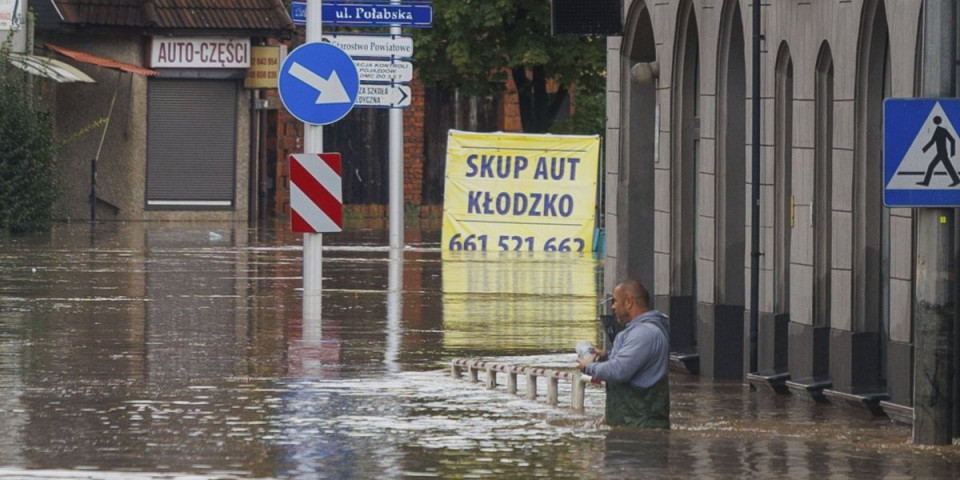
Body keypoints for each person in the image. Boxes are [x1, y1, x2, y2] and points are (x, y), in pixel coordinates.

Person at [577, 279, 670, 428]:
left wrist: (588, 367)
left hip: (640, 432)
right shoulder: (639, 332)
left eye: (615, 301)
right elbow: (630, 365)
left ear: (628, 302)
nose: (612, 307)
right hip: (632, 426)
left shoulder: (644, 334)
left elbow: (619, 371)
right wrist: (607, 356)